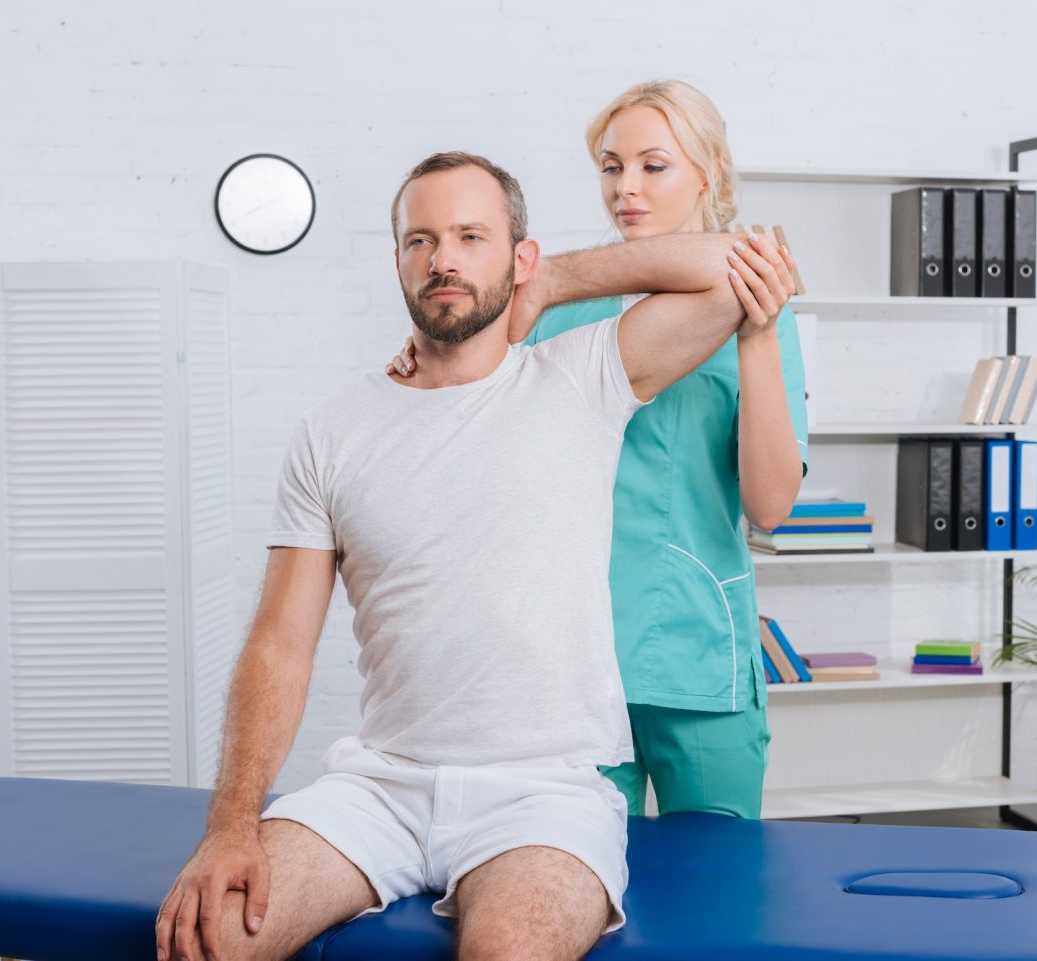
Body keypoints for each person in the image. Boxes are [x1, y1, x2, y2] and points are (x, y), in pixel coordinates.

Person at [154, 150, 792, 961]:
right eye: (420, 240)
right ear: (396, 261)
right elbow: (280, 642)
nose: (443, 258)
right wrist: (230, 824)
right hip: (377, 786)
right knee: (208, 941)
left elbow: (734, 263)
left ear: (519, 258)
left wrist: (556, 278)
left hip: (543, 795)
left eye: (470, 236)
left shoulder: (583, 377)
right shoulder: (333, 428)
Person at [389, 81, 806, 820]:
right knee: (577, 894)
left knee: (713, 902)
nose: (626, 189)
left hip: (696, 655)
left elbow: (770, 506)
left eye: (653, 166)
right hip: (568, 667)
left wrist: (761, 336)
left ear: (707, 172)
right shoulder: (556, 308)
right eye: (611, 167)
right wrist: (423, 357)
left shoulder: (751, 301)